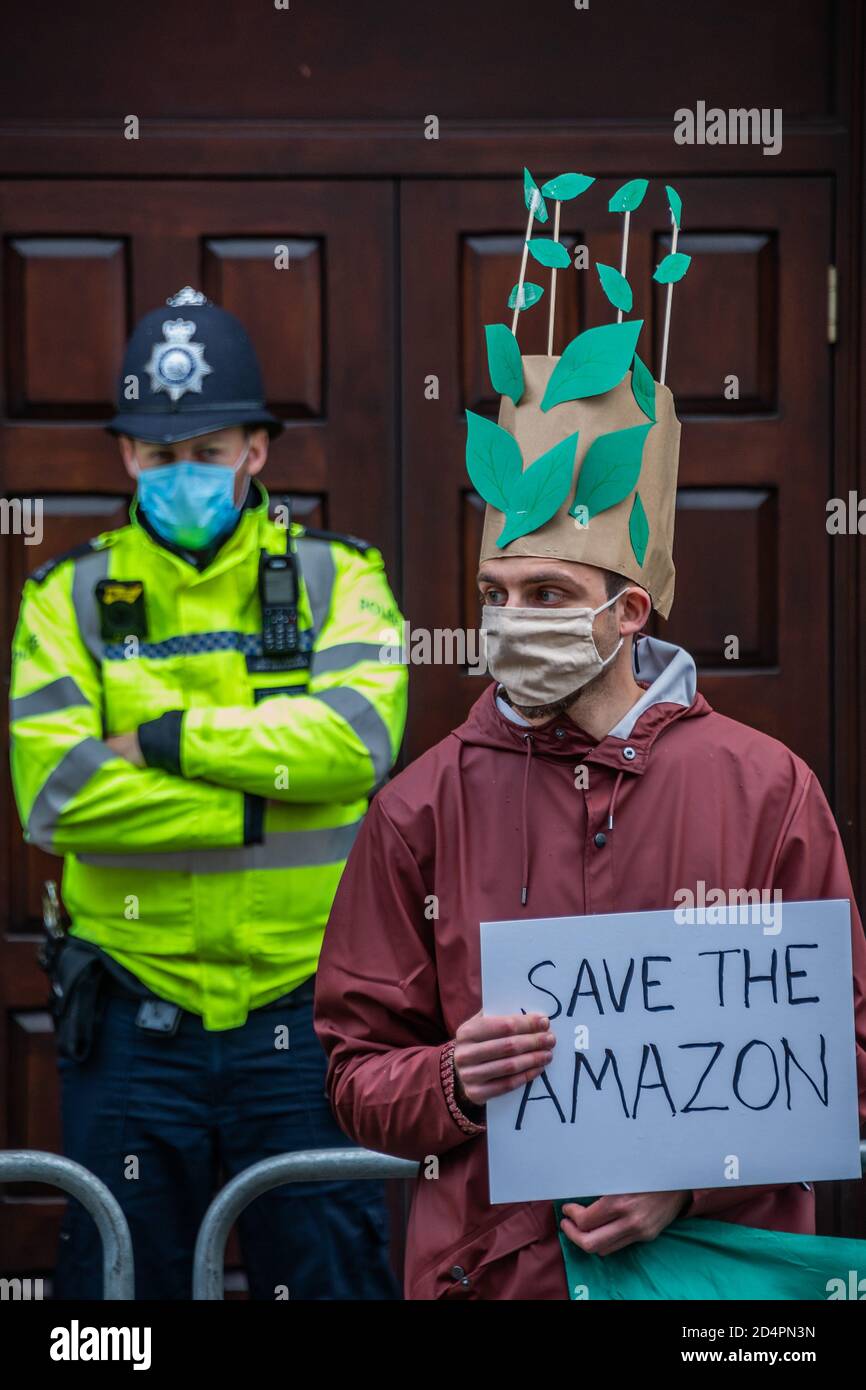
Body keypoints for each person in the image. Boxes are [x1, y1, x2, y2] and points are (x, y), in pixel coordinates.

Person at [313, 179, 866, 1299]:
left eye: (548, 590)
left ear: (628, 610)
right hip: (489, 1271)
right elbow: (355, 1066)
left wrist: (687, 1179)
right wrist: (450, 1085)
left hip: (707, 1281)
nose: (513, 620)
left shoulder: (765, 791)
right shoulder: (420, 804)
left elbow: (838, 1058)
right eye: (496, 591)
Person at [10, 287, 407, 1300]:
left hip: (304, 1017)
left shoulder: (338, 579)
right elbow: (59, 795)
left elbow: (357, 741)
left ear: (256, 452)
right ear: (124, 457)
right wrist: (264, 804)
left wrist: (162, 739)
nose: (179, 471)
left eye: (206, 449)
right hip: (135, 1022)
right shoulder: (68, 598)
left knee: (330, 1284)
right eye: (156, 451)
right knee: (113, 1314)